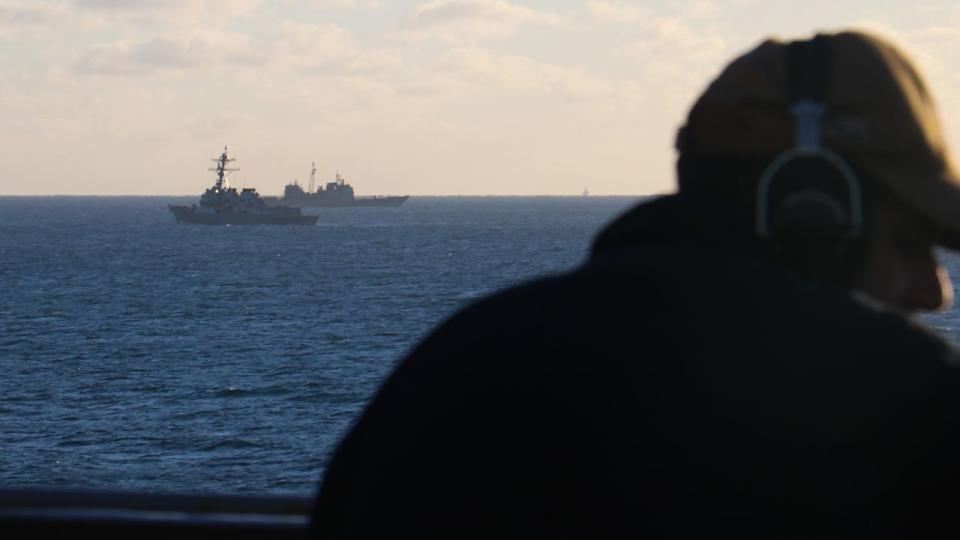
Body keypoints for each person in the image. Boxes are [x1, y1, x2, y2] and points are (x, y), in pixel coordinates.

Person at [311, 31, 960, 537]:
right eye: (908, 242)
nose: (934, 292)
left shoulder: (444, 372)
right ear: (811, 208)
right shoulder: (915, 401)